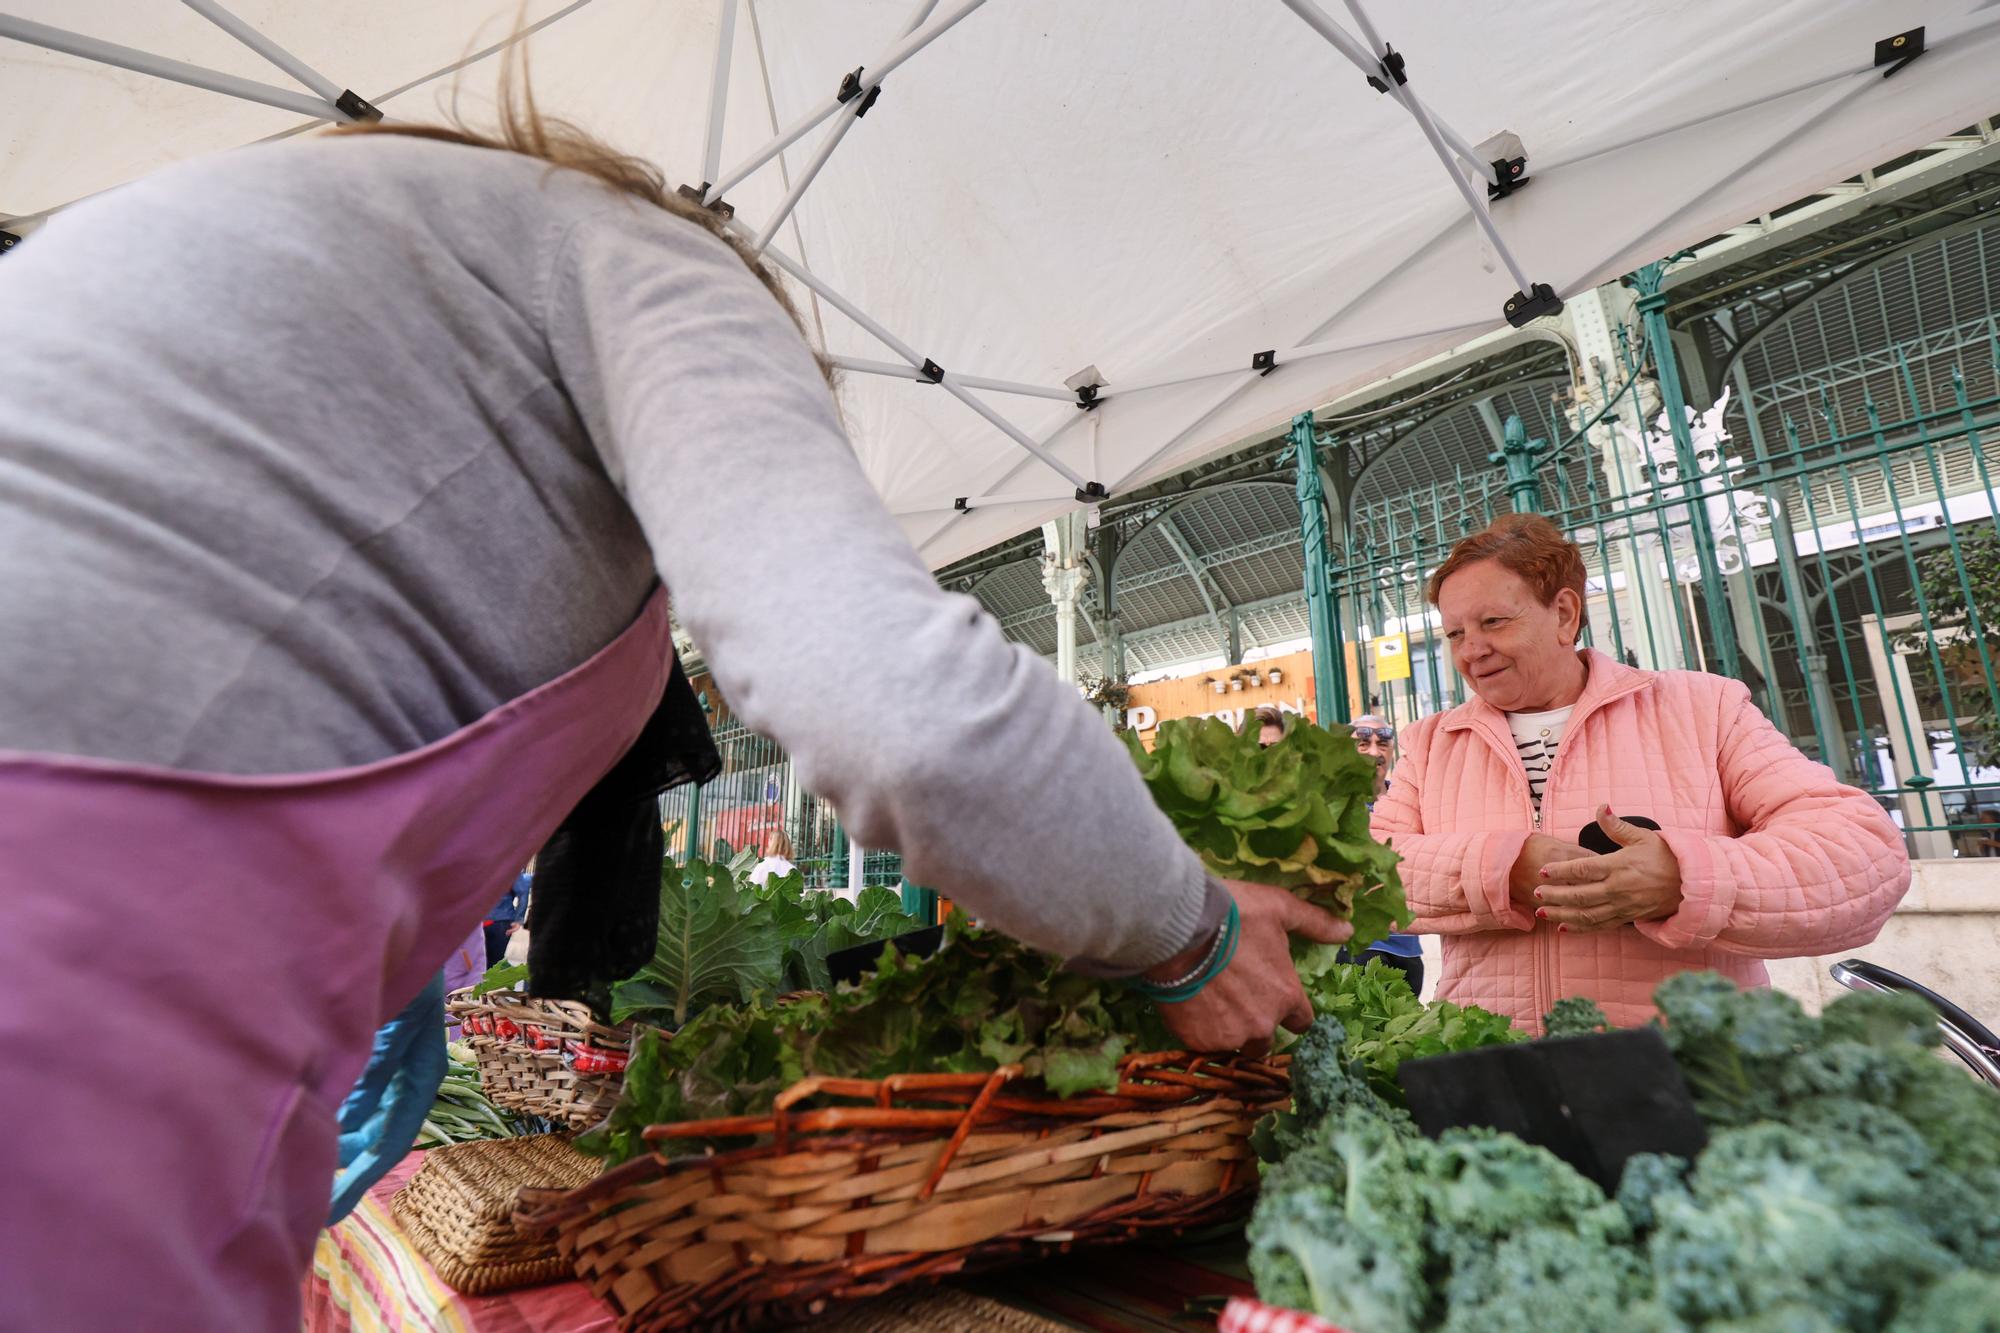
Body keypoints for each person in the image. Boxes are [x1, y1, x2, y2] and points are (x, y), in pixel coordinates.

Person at [0, 88, 1348, 1326]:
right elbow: (900, 706)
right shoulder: (643, 261)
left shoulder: (350, 245)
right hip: (95, 922)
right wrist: (1189, 927)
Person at [1371, 513, 1910, 1033]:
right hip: (1502, 1081)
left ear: (1563, 614)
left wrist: (1684, 880)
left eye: (1493, 622)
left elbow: (1863, 857)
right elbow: (1360, 879)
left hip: (1695, 1079)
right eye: (1454, 634)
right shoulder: (1431, 742)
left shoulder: (1704, 709)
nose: (1472, 650)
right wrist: (1499, 870)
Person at [1344, 713, 1425, 996]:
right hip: (1358, 946)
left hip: (1407, 947)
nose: (1374, 752)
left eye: (1382, 743)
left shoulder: (1409, 803)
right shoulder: (1333, 805)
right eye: (1363, 744)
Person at [486, 863, 532, 966]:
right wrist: (518, 919)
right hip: (500, 919)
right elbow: (522, 891)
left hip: (479, 920)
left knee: (477, 964)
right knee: (493, 963)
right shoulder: (509, 864)